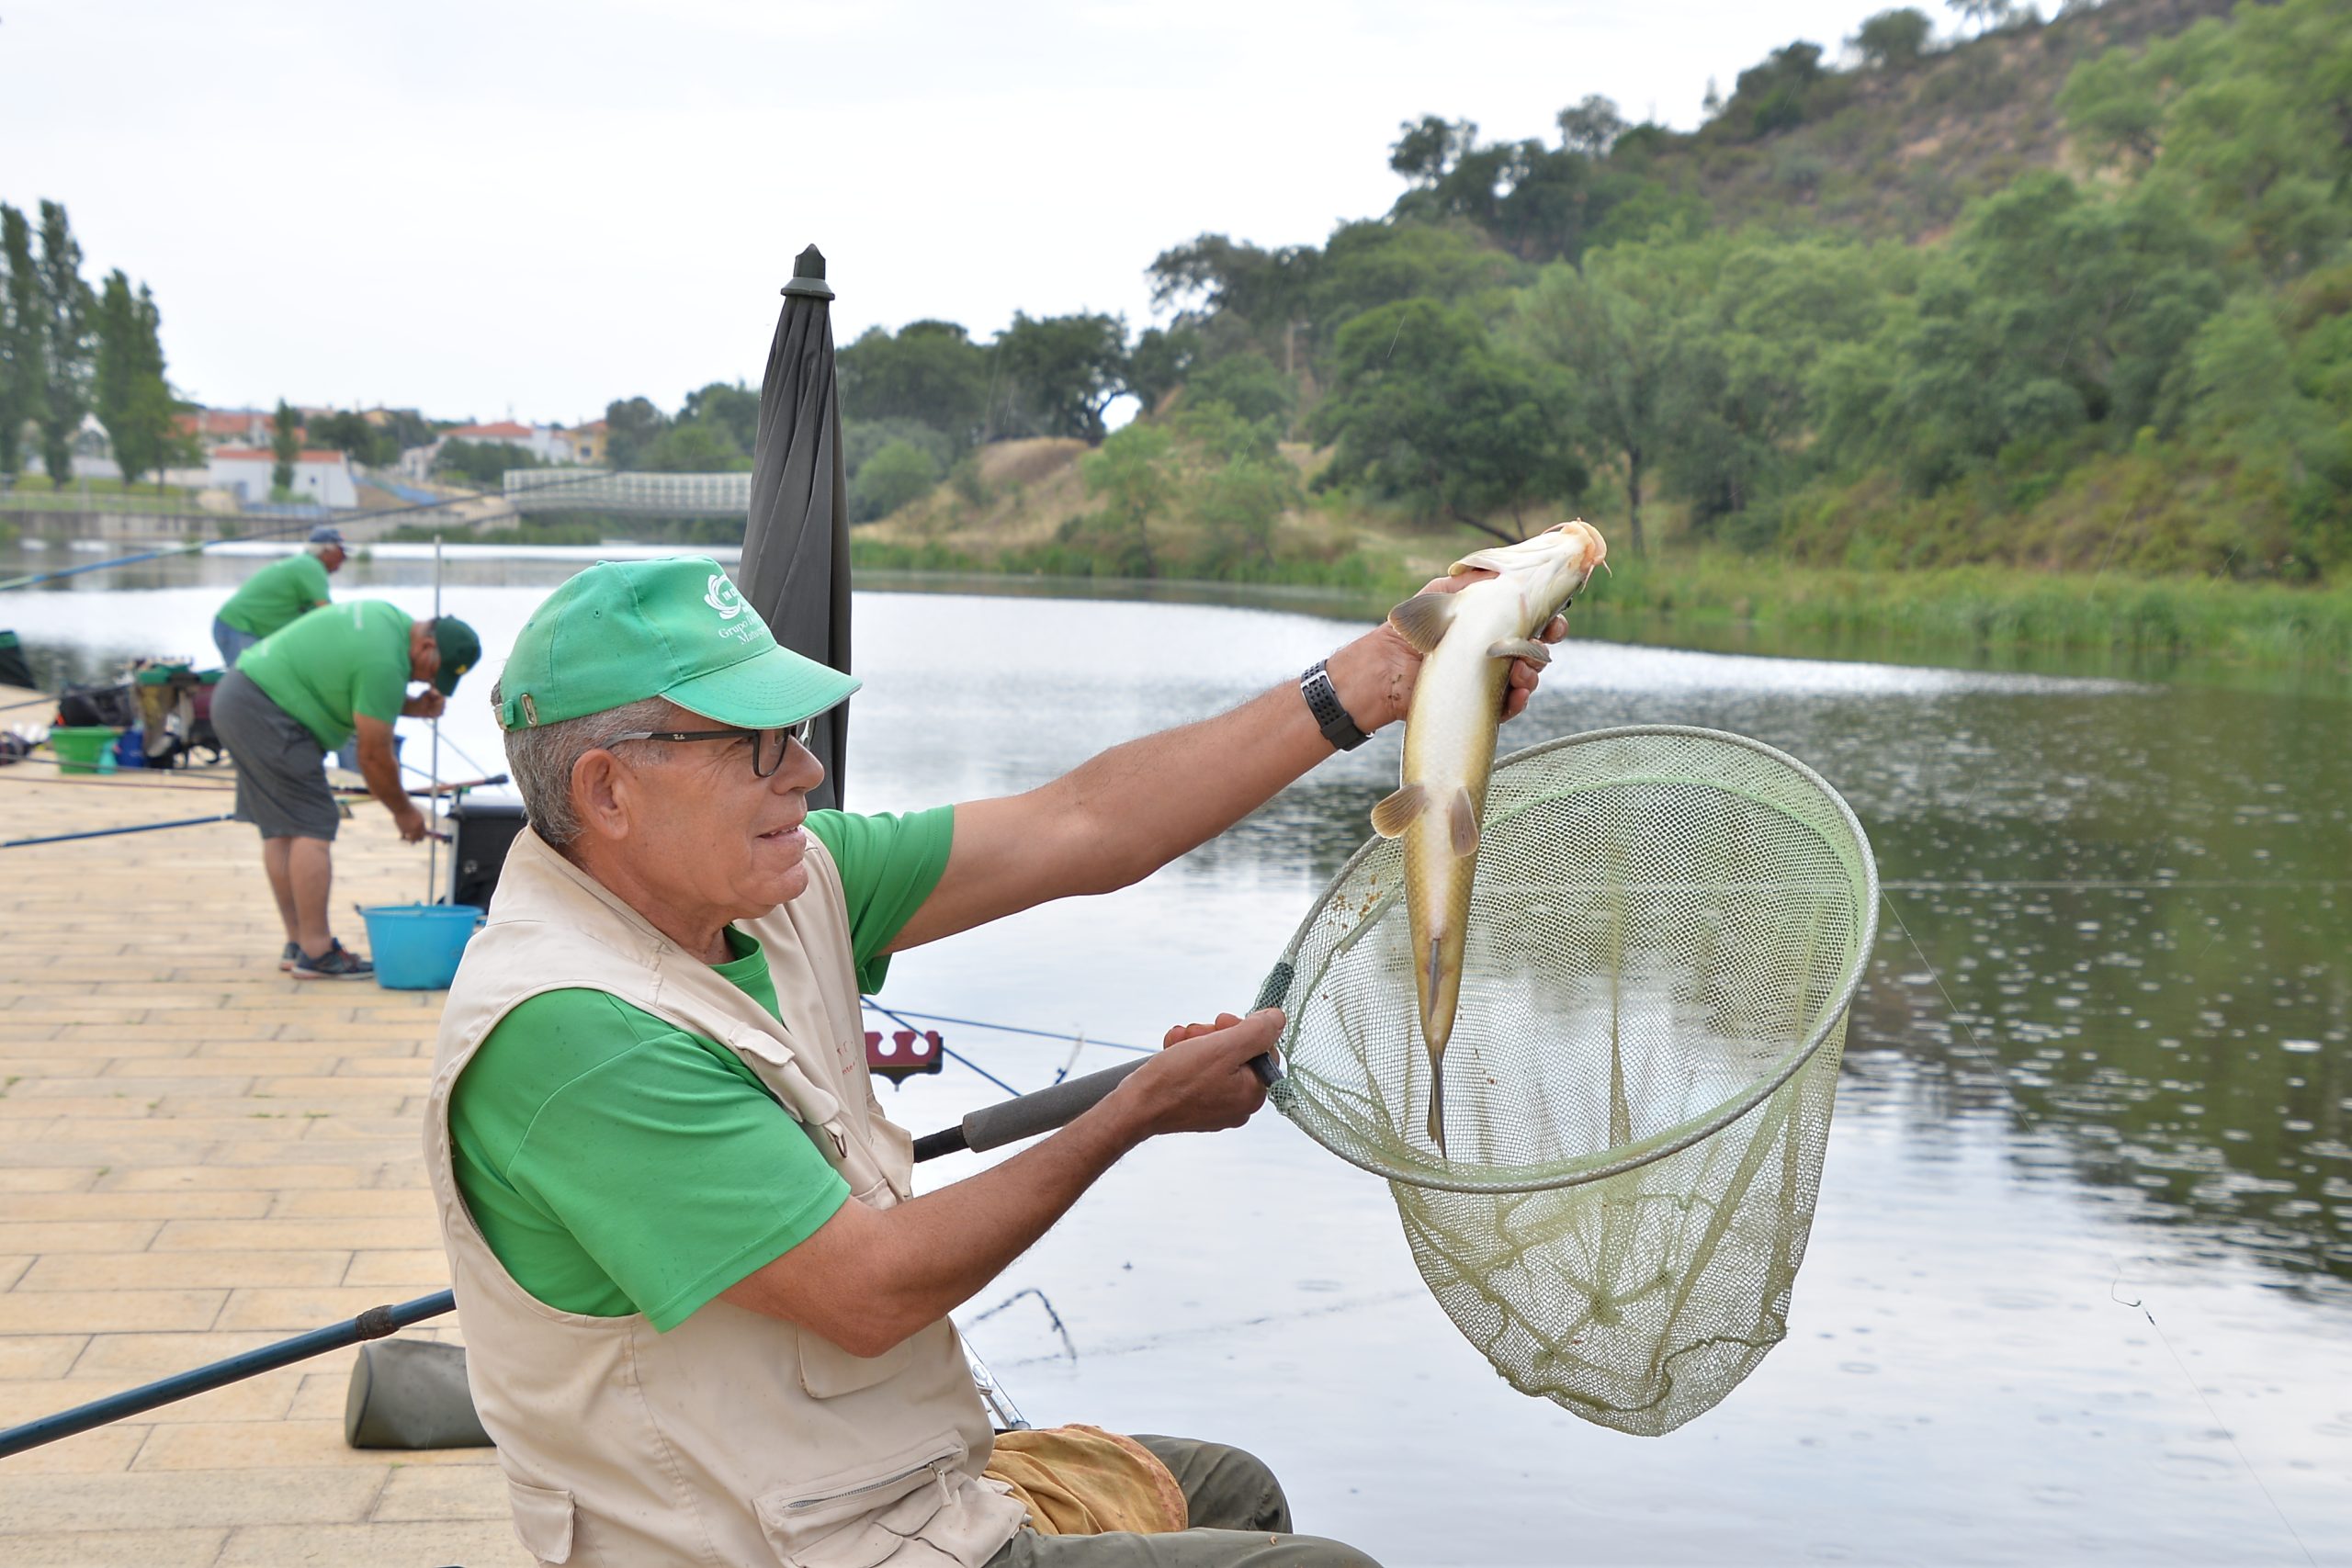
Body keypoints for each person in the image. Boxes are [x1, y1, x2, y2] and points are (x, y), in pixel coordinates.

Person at [426, 556, 1560, 1567]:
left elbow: (1083, 824)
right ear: (606, 791)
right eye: (758, 745)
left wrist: (1370, 681)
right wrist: (1131, 1113)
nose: (806, 776)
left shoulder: (769, 880)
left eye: (801, 735)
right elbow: (869, 1290)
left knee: (1230, 1490)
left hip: (882, 1482)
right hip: (768, 1544)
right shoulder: (574, 1030)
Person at [210, 600, 480, 979]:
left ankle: (300, 943)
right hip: (269, 711)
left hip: (241, 696)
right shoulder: (386, 663)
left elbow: (357, 687)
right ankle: (317, 952)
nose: (426, 683)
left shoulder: (386, 621)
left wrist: (413, 708)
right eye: (432, 673)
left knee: (282, 830)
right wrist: (404, 811)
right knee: (313, 825)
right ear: (426, 647)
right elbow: (373, 756)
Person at [211, 525, 347, 668]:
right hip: (238, 627)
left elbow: (317, 620)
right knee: (252, 679)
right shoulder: (311, 567)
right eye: (342, 552)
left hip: (236, 627)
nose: (344, 558)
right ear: (327, 550)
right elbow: (327, 613)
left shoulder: (303, 565)